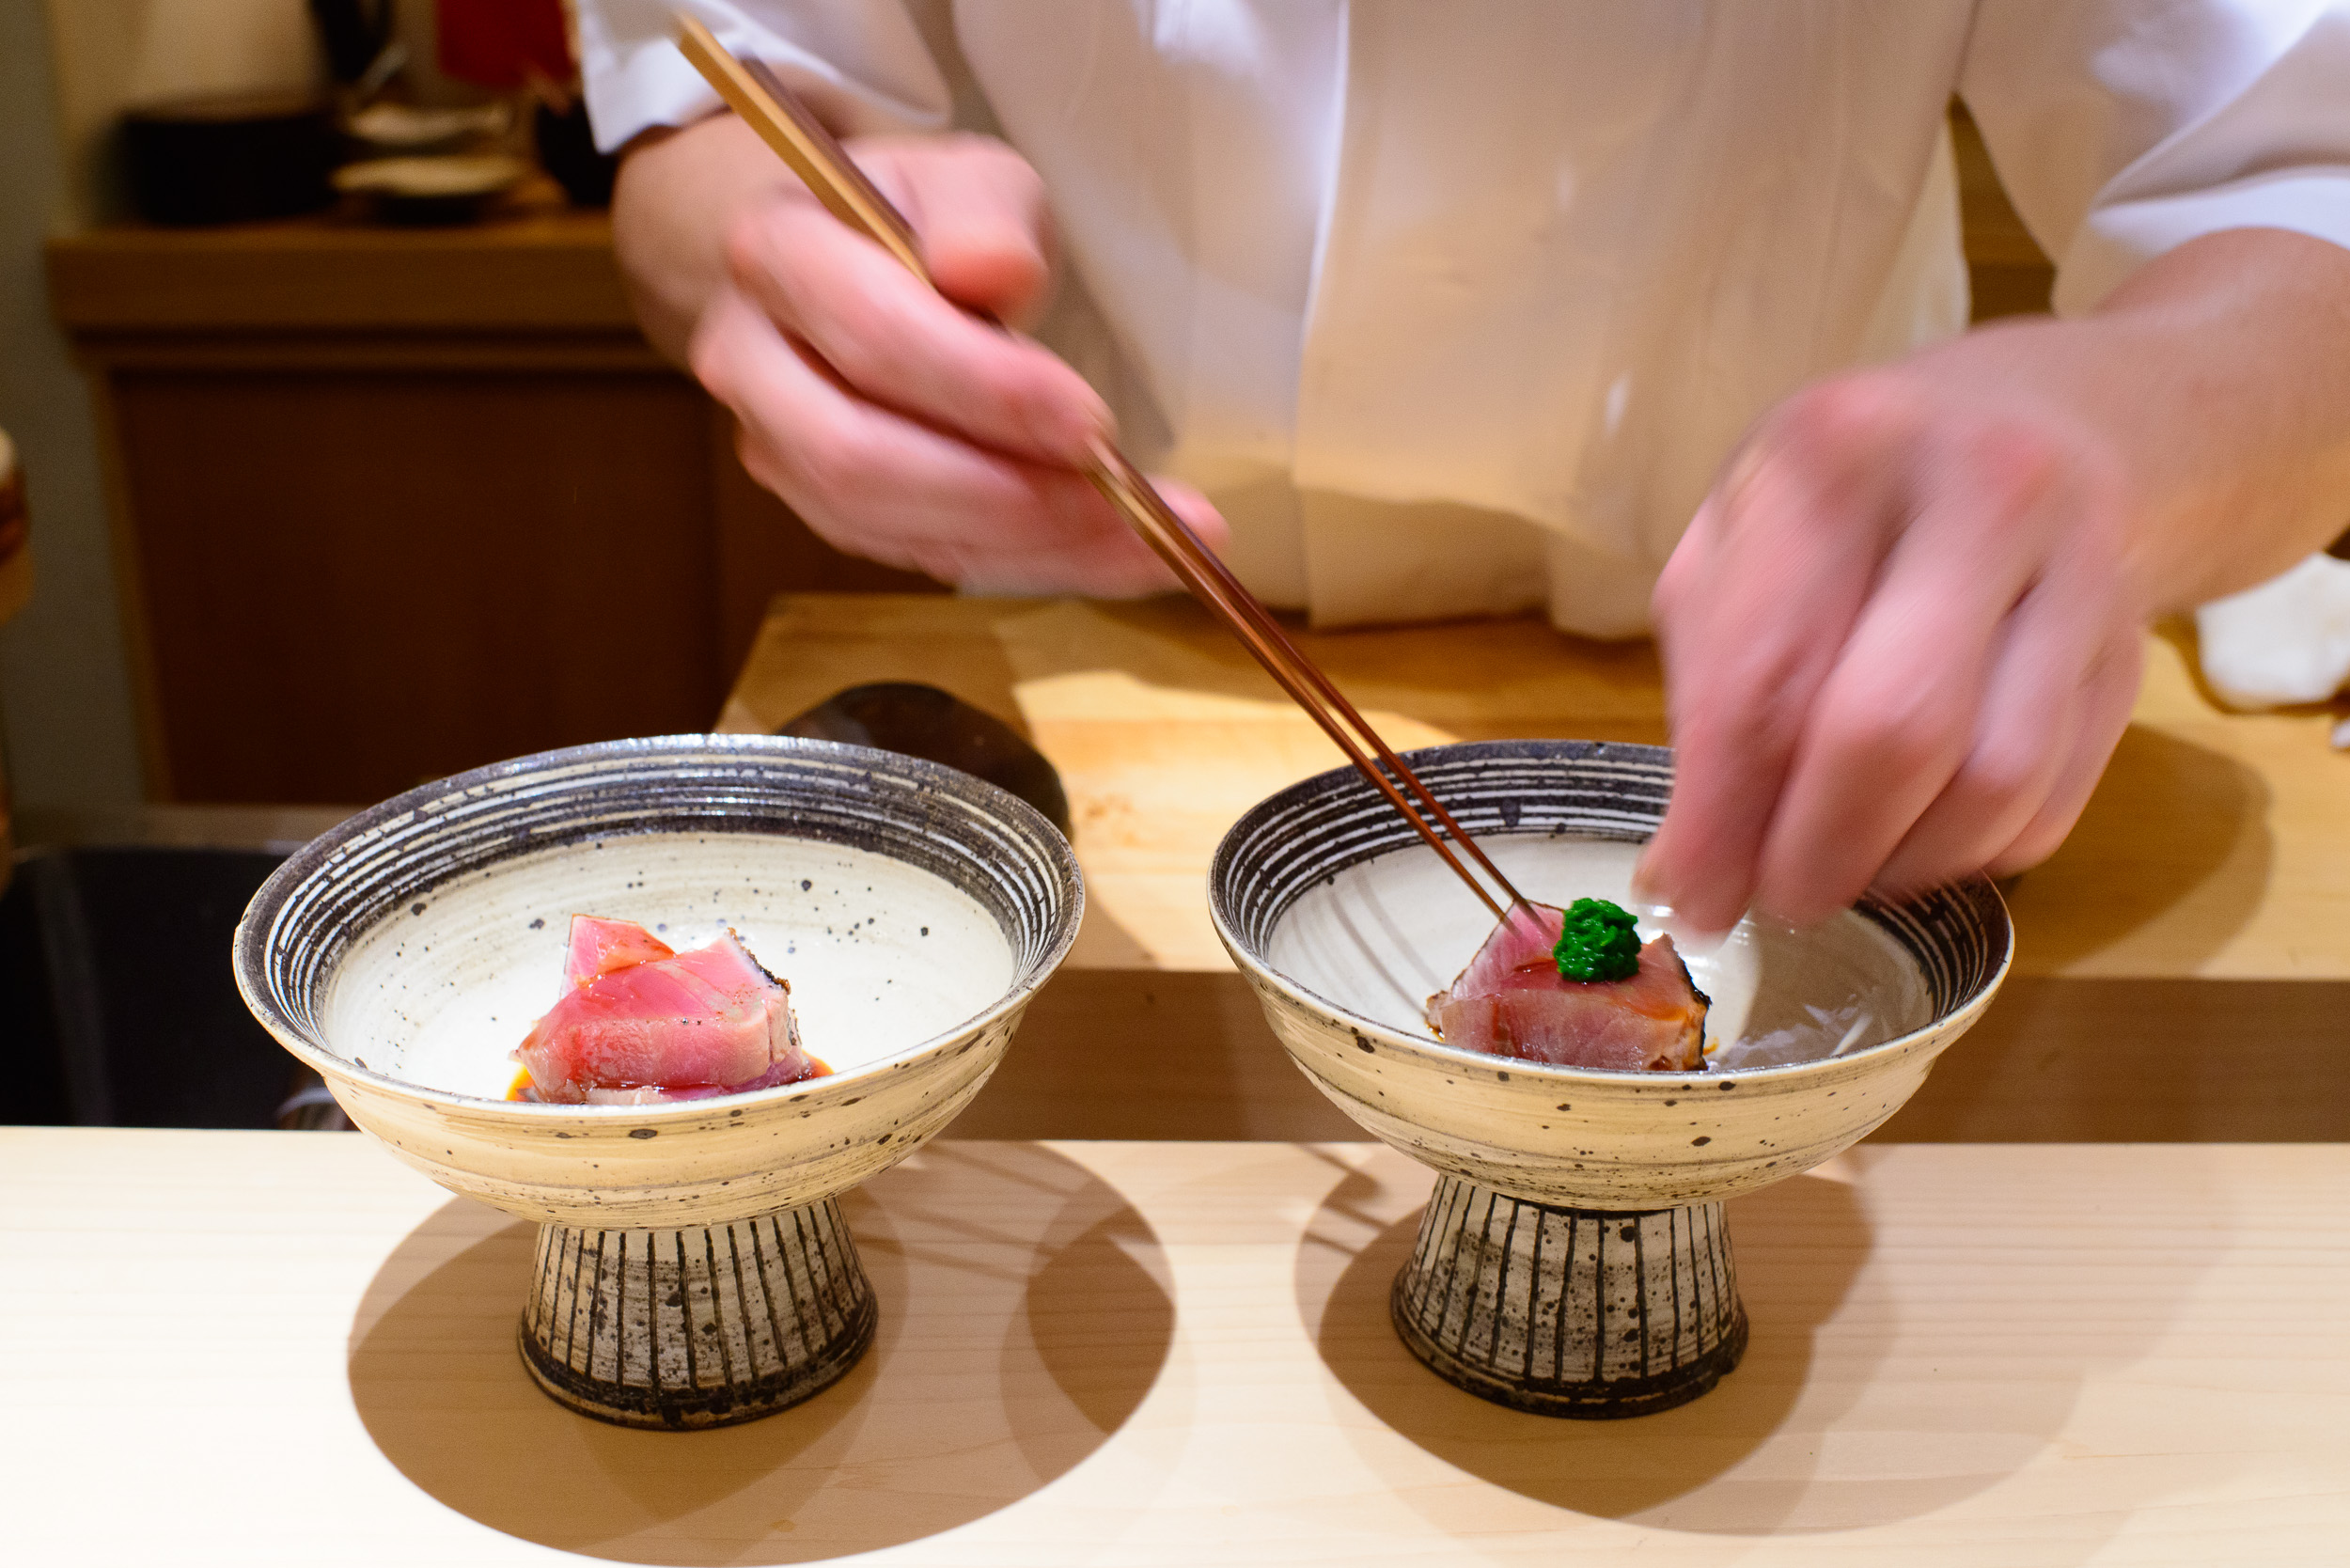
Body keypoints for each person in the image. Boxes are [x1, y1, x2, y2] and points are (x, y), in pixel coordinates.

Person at [580, 1, 2350, 932]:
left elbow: (2298, 176)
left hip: (1821, 732)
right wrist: (780, 264)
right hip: (1070, 714)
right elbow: (709, 109)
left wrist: (2122, 428)